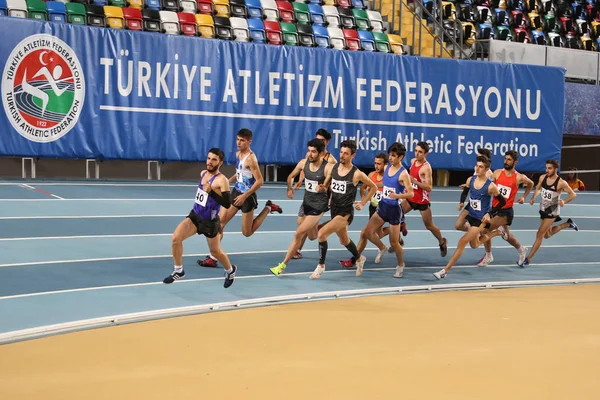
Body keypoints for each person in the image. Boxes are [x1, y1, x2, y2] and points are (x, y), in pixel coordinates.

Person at [198, 129, 282, 268]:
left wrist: (245, 196)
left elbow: (260, 181)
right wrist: (227, 181)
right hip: (236, 192)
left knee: (246, 232)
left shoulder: (251, 159)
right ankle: (213, 257)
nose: (238, 142)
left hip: (247, 197)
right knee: (221, 223)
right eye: (237, 139)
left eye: (242, 140)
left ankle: (268, 208)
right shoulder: (238, 154)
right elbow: (240, 174)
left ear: (249, 142)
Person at [163, 148, 237, 288]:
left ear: (220, 163)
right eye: (208, 158)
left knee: (216, 252)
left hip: (210, 222)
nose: (210, 162)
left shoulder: (222, 180)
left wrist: (212, 193)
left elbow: (227, 204)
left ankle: (230, 270)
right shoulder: (203, 173)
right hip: (195, 216)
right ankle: (179, 270)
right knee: (175, 239)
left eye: (214, 160)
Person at [310, 140, 378, 280]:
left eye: (346, 154)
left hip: (345, 213)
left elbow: (374, 187)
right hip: (333, 209)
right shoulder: (333, 168)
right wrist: (322, 188)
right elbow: (327, 185)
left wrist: (363, 202)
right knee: (344, 240)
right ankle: (359, 258)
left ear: (353, 155)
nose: (342, 156)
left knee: (321, 234)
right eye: (341, 152)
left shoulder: (356, 173)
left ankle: (321, 266)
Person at [433, 155, 507, 280]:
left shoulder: (491, 186)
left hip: (480, 219)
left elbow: (502, 202)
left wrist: (490, 213)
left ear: (486, 170)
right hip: (471, 213)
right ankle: (498, 232)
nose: (477, 169)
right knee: (473, 242)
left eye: (481, 167)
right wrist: (462, 202)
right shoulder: (470, 180)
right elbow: (466, 191)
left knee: (462, 242)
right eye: (477, 166)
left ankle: (445, 271)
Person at [269, 139, 333, 276]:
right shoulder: (303, 163)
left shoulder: (327, 167)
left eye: (314, 152)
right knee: (312, 236)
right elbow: (290, 176)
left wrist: (324, 187)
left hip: (319, 206)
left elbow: (329, 184)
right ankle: (329, 226)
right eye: (309, 150)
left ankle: (282, 266)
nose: (310, 154)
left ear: (321, 153)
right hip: (307, 204)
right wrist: (289, 188)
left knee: (298, 233)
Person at [351, 143, 414, 278]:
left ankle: (400, 265)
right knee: (368, 232)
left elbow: (411, 194)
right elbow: (385, 184)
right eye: (390, 155)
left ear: (401, 157)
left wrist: (398, 196)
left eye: (394, 156)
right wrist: (371, 185)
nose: (390, 158)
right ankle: (382, 247)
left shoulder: (403, 174)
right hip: (383, 206)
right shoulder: (387, 167)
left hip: (394, 210)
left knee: (394, 242)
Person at [475, 150, 533, 266]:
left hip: (505, 212)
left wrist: (523, 197)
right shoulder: (497, 173)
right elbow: (487, 183)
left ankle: (488, 255)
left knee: (484, 230)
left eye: (509, 160)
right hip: (494, 209)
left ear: (515, 162)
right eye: (505, 159)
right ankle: (521, 249)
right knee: (507, 237)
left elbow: (531, 183)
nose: (506, 161)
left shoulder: (519, 177)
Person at [519, 160, 579, 267]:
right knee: (547, 234)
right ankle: (568, 224)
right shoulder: (543, 177)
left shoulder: (561, 182)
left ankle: (528, 259)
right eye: (546, 168)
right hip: (543, 208)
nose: (547, 170)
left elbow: (573, 194)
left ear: (555, 169)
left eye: (550, 168)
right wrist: (533, 197)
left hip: (552, 210)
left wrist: (564, 201)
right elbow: (538, 189)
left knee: (539, 235)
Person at [339, 153, 392, 269]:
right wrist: (363, 197)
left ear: (386, 165)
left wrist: (373, 185)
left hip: (384, 208)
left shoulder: (389, 177)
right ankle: (394, 231)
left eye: (379, 164)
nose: (376, 166)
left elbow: (382, 185)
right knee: (378, 233)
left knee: (365, 233)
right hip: (373, 208)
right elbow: (362, 188)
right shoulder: (371, 174)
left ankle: (355, 259)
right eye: (375, 163)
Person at [291, 128, 338, 260]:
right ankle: (332, 224)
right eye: (317, 139)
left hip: (323, 196)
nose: (318, 142)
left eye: (321, 141)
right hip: (310, 194)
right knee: (302, 221)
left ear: (327, 143)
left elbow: (334, 180)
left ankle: (297, 248)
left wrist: (331, 197)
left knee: (306, 224)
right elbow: (305, 167)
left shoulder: (331, 161)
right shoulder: (310, 154)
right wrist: (301, 180)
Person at [400, 141, 448, 257]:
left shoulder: (426, 168)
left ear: (426, 154)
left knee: (429, 225)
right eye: (416, 151)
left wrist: (415, 181)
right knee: (395, 214)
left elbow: (429, 187)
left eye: (420, 152)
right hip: (411, 198)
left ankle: (442, 242)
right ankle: (398, 240)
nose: (417, 154)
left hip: (422, 201)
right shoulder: (412, 162)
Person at [455, 147, 495, 267]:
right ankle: (474, 231)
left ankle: (488, 254)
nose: (477, 159)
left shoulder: (489, 174)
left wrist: (490, 212)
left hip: (482, 206)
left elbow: (490, 190)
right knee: (458, 225)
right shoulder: (477, 169)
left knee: (483, 233)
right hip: (472, 203)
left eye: (479, 156)